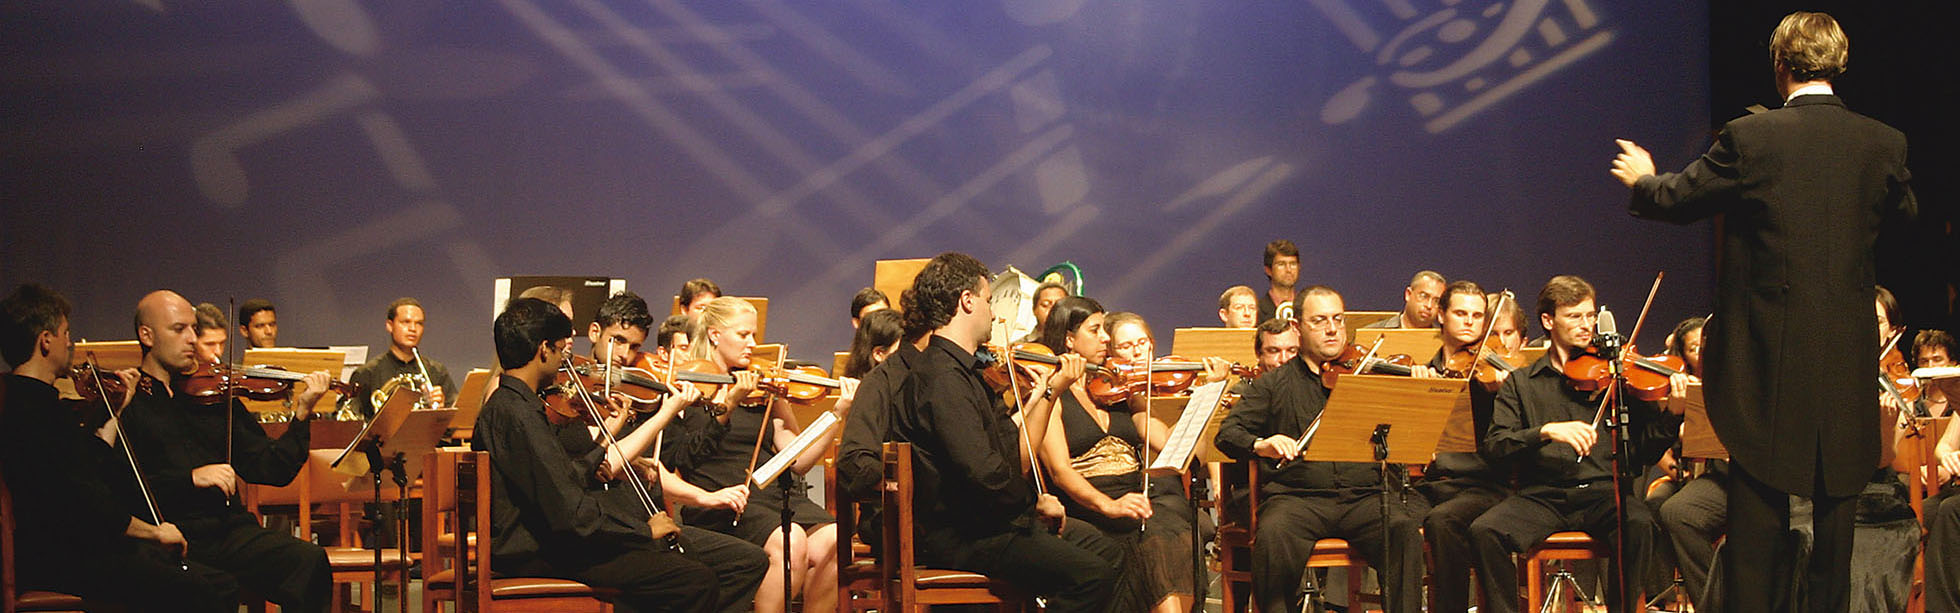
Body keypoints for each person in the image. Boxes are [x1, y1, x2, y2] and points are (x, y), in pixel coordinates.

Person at [1612, 12, 1917, 610]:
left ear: (1781, 66)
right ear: (1839, 63)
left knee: (1757, 512)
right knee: (1835, 519)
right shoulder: (1883, 142)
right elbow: (1905, 217)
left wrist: (1645, 180)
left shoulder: (1752, 138)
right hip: (1843, 359)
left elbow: (1680, 198)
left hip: (1766, 362)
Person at [889, 252, 1116, 612]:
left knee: (1108, 551)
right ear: (967, 301)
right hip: (966, 534)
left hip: (987, 523)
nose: (993, 314)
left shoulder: (965, 372)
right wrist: (1032, 505)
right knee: (1092, 576)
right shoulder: (942, 378)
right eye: (989, 300)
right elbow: (982, 473)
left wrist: (1047, 392)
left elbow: (1010, 448)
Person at [471, 297, 722, 613]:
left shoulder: (511, 406)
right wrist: (643, 530)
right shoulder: (519, 414)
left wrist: (595, 457)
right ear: (544, 349)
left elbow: (557, 479)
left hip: (538, 542)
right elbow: (570, 513)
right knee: (694, 580)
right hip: (535, 551)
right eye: (561, 350)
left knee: (677, 560)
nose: (564, 361)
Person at [0, 283, 237, 612]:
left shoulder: (23, 401)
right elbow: (89, 502)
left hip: (66, 548)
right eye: (65, 333)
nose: (69, 343)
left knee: (215, 582)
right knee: (202, 590)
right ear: (46, 340)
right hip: (62, 556)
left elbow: (86, 467)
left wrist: (115, 412)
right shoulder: (38, 412)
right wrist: (153, 533)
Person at [1470, 276, 1682, 613]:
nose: (1586, 325)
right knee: (1485, 531)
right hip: (1543, 496)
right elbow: (1496, 446)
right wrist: (1545, 431)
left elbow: (1643, 452)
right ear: (1548, 321)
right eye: (1574, 316)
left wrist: (1672, 414)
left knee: (1639, 524)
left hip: (1604, 494)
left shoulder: (1616, 375)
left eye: (1590, 315)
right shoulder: (1522, 383)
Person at [1213, 285, 1426, 613]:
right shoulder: (1274, 384)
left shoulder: (1367, 377)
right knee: (1273, 535)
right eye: (1320, 320)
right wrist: (1261, 444)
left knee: (1402, 531)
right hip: (1297, 499)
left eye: (1338, 319)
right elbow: (1228, 434)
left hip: (1364, 497)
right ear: (1297, 327)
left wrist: (1418, 387)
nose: (1332, 329)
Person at [118, 290, 333, 612]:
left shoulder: (216, 396)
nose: (192, 339)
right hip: (168, 536)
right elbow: (120, 488)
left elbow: (272, 467)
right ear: (146, 335)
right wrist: (189, 479)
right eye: (179, 329)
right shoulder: (128, 402)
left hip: (227, 531)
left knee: (308, 562)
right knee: (212, 588)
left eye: (194, 329)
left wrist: (302, 413)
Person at [560, 292, 768, 612]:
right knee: (694, 577)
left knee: (749, 561)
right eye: (617, 341)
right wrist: (663, 415)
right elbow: (603, 462)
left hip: (648, 517)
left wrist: (718, 411)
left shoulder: (642, 394)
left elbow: (675, 460)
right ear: (594, 332)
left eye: (634, 346)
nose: (624, 356)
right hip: (614, 527)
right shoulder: (573, 398)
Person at [662, 296, 848, 613]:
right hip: (722, 500)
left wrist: (837, 415)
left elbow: (799, 461)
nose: (752, 344)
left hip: (771, 495)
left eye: (753, 335)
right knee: (791, 541)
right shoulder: (689, 387)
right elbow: (685, 458)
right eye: (743, 335)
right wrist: (729, 404)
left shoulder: (764, 390)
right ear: (715, 335)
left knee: (835, 540)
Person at [1044, 305, 1218, 613]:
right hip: (1090, 507)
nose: (1106, 338)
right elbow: (1060, 472)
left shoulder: (1120, 390)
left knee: (1173, 531)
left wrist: (1207, 393)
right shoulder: (1052, 395)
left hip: (1134, 502)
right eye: (1095, 330)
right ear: (1069, 340)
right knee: (1154, 538)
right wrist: (1108, 505)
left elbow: (1171, 445)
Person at [1408, 281, 1514, 613]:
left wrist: (1502, 396)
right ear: (1441, 315)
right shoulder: (1427, 371)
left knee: (1443, 522)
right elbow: (1409, 440)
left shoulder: (1496, 375)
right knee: (1390, 518)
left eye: (1477, 315)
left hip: (1485, 485)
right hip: (1433, 483)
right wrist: (1418, 396)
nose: (1469, 321)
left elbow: (1511, 439)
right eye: (1460, 313)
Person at [833, 308, 923, 550]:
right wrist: (898, 481)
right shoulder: (877, 386)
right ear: (879, 354)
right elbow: (853, 461)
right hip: (885, 513)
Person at [348, 297, 456, 414]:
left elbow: (456, 416)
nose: (413, 329)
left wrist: (442, 409)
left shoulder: (437, 372)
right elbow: (349, 418)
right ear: (390, 325)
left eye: (419, 323)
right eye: (406, 322)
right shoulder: (368, 373)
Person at [1362, 271, 1445, 329]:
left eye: (1436, 301)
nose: (1429, 305)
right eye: (1424, 296)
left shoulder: (1443, 341)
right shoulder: (1373, 333)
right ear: (1408, 294)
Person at [1256, 240, 1299, 324]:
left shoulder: (1307, 308)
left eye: (1293, 264)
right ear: (1268, 270)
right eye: (1281, 264)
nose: (1289, 270)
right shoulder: (1257, 311)